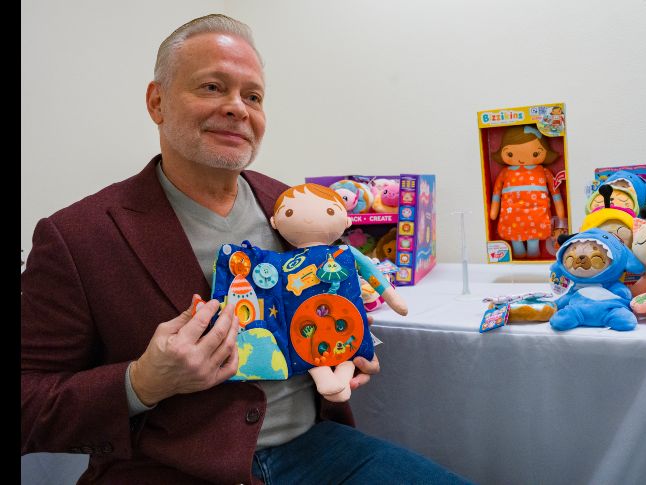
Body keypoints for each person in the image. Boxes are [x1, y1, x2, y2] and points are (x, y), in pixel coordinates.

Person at [21, 13, 472, 484]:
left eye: (253, 96)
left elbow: (332, 294)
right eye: (212, 87)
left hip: (319, 450)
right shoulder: (77, 237)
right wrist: (141, 382)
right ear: (157, 102)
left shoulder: (292, 206)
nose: (238, 108)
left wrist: (352, 344)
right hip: (166, 468)